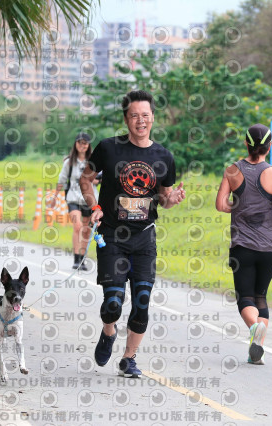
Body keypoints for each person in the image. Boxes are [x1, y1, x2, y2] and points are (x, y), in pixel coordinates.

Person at [79, 90, 186, 378]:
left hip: (144, 238)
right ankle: (108, 331)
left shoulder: (164, 156)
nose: (141, 121)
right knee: (113, 303)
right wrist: (94, 206)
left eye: (145, 115)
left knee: (142, 301)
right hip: (112, 235)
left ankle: (129, 358)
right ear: (126, 119)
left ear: (153, 118)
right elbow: (86, 180)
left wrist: (172, 199)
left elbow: (163, 197)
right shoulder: (108, 148)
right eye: (134, 116)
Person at [215, 123, 272, 365]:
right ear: (270, 146)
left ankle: (254, 328)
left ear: (246, 144)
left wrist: (238, 206)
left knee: (245, 298)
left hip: (243, 247)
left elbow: (221, 205)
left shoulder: (232, 170)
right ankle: (256, 350)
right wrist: (270, 209)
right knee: (261, 297)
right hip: (270, 247)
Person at [51, 132, 100, 270]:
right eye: (80, 142)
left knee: (86, 230)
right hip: (73, 198)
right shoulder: (69, 162)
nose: (82, 145)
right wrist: (54, 197)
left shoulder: (93, 162)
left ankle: (82, 259)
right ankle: (76, 259)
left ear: (88, 145)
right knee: (78, 226)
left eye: (85, 143)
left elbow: (99, 179)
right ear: (75, 144)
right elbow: (61, 180)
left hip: (89, 199)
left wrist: (91, 180)